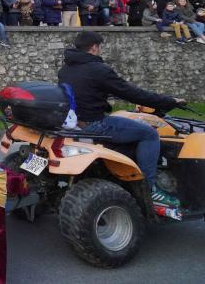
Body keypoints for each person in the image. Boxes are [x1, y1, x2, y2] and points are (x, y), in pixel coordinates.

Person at [58, 31, 183, 207]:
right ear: (94, 47)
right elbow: (131, 93)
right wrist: (169, 101)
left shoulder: (65, 69)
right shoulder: (98, 69)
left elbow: (84, 92)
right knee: (149, 134)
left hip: (73, 123)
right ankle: (150, 189)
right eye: (99, 47)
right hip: (95, 124)